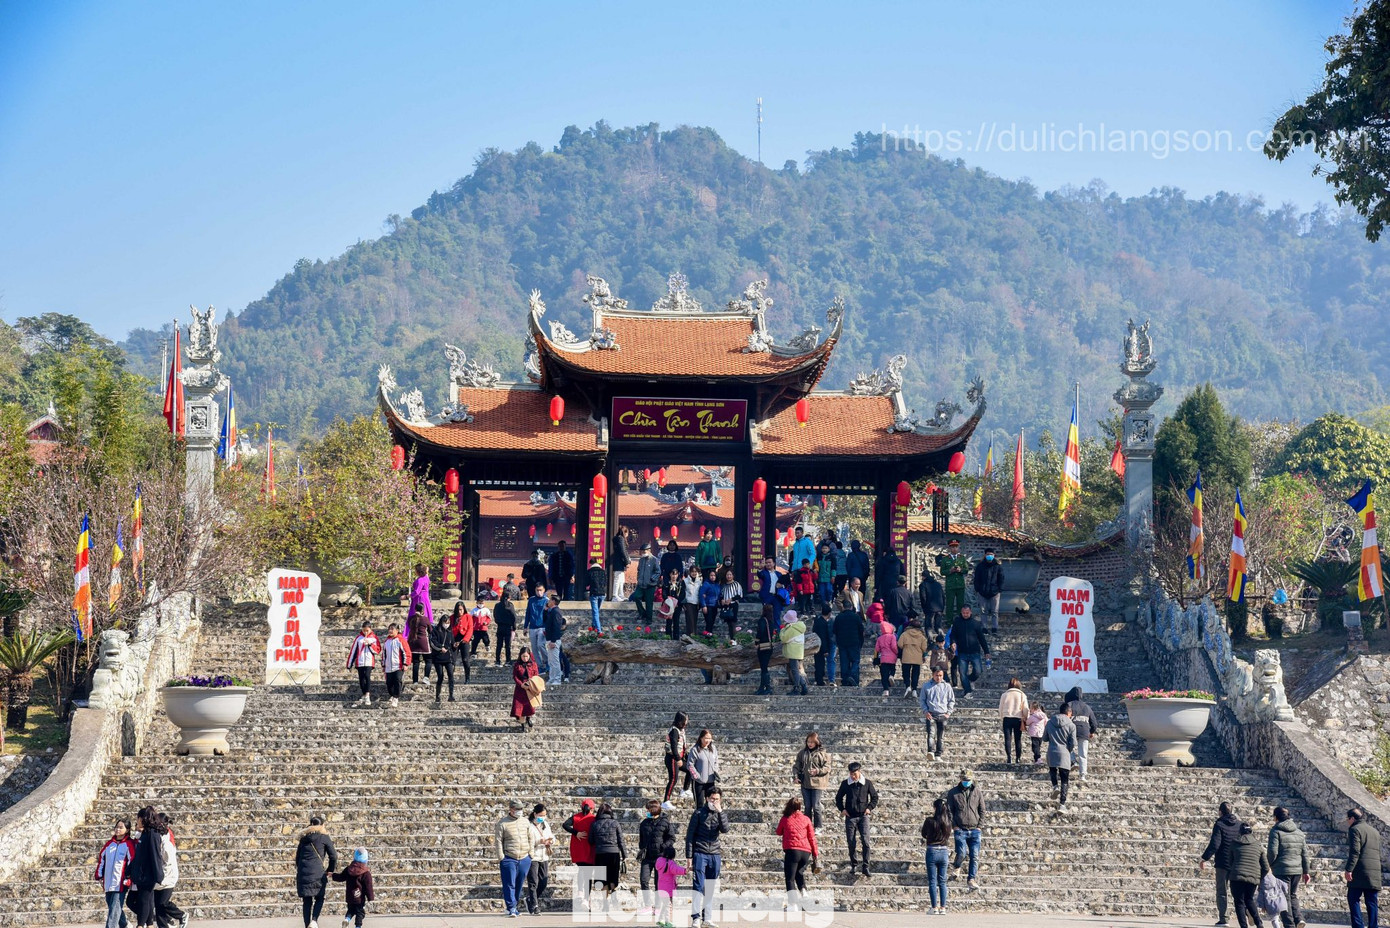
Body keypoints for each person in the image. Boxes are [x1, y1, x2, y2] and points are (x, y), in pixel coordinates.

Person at [685, 786, 730, 928]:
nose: (714, 801)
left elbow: (725, 829)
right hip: (700, 852)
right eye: (712, 799)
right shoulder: (698, 813)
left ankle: (707, 917)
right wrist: (689, 857)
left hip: (715, 853)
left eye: (717, 799)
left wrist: (720, 811)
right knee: (698, 884)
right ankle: (696, 917)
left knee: (710, 886)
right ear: (706, 798)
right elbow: (690, 836)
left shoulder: (720, 813)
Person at [1200, 802, 1245, 926]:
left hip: (1223, 863)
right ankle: (1247, 912)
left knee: (1222, 891)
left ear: (1220, 812)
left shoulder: (1219, 824)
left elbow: (1215, 844)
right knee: (1240, 891)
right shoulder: (1240, 825)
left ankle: (1224, 919)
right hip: (1238, 861)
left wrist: (1204, 858)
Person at [1267, 807, 1310, 928]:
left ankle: (1289, 925)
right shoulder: (1299, 832)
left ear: (1276, 817)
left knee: (1283, 898)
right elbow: (1305, 854)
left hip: (1282, 869)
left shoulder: (1276, 831)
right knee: (1292, 895)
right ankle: (1299, 919)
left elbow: (1272, 852)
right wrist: (1306, 872)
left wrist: (1267, 865)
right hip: (1297, 870)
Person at [496, 800, 539, 918]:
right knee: (509, 883)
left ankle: (514, 905)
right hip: (509, 857)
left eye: (521, 809)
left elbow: (531, 838)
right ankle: (511, 907)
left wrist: (531, 854)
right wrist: (501, 857)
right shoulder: (502, 823)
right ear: (511, 809)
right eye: (517, 809)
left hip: (525, 857)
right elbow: (498, 841)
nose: (519, 811)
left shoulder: (525, 822)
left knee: (519, 882)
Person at [295, 815, 339, 928]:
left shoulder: (303, 839)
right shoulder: (324, 838)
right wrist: (330, 870)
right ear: (322, 825)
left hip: (303, 873)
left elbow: (297, 858)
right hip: (318, 873)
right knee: (319, 897)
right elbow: (333, 856)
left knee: (307, 901)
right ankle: (314, 920)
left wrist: (302, 870)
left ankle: (306, 925)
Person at [834, 762, 878, 877]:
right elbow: (838, 798)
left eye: (854, 774)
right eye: (851, 774)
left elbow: (874, 797)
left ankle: (865, 866)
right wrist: (842, 809)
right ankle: (854, 864)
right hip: (850, 817)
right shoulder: (845, 783)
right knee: (851, 842)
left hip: (863, 816)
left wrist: (869, 808)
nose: (852, 776)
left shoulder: (867, 783)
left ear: (859, 771)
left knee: (866, 841)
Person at [945, 769, 985, 890]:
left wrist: (979, 826)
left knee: (975, 855)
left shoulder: (977, 792)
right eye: (965, 780)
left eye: (968, 780)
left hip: (974, 829)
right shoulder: (953, 793)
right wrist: (954, 826)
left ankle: (971, 879)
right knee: (961, 852)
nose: (967, 782)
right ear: (961, 779)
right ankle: (957, 866)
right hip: (960, 829)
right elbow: (949, 811)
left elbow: (982, 809)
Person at [776, 797, 819, 909]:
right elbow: (812, 837)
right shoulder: (806, 819)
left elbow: (778, 832)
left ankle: (793, 904)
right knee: (799, 873)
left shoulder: (786, 818)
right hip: (806, 851)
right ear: (800, 807)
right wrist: (815, 853)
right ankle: (803, 891)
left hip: (792, 850)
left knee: (790, 878)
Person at [638, 798, 679, 915]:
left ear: (653, 810)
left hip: (660, 857)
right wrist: (642, 847)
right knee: (643, 879)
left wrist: (663, 846)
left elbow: (672, 838)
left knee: (658, 882)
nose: (646, 811)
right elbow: (641, 839)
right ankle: (647, 905)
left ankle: (657, 906)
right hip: (647, 857)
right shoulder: (644, 823)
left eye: (648, 809)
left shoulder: (665, 822)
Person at [95, 816, 136, 928]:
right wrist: (99, 874)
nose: (117, 829)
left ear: (127, 830)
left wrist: (129, 878)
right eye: (116, 827)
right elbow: (102, 858)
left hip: (120, 882)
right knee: (112, 905)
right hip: (108, 881)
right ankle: (125, 924)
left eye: (121, 827)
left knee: (114, 910)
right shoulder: (109, 844)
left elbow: (132, 862)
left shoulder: (129, 844)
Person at [1346, 806, 1383, 928]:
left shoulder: (1355, 829)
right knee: (1372, 901)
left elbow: (1355, 852)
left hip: (1360, 870)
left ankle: (1358, 926)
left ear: (1352, 818)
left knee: (1353, 898)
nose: (1347, 822)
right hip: (1375, 871)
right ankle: (1373, 926)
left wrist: (1349, 869)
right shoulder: (1374, 831)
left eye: (1348, 819)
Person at [1229, 822, 1270, 928]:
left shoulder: (1234, 843)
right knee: (1249, 899)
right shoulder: (1258, 845)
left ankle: (1244, 926)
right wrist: (1258, 877)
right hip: (1253, 878)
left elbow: (1229, 862)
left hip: (1237, 877)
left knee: (1239, 903)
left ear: (1240, 832)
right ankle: (1259, 923)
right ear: (1251, 832)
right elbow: (1265, 867)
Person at [589, 802, 627, 904]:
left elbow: (591, 840)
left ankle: (604, 902)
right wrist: (624, 855)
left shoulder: (594, 824)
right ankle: (614, 894)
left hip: (600, 853)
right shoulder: (615, 823)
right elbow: (621, 840)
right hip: (614, 853)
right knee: (613, 876)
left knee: (602, 879)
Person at [921, 798, 953, 916]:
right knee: (943, 881)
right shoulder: (948, 822)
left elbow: (923, 833)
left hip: (932, 851)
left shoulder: (929, 821)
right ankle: (943, 907)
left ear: (935, 808)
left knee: (932, 881)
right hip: (944, 852)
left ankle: (934, 907)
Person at [1044, 702, 1078, 813]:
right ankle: (1062, 805)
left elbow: (1044, 738)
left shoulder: (1049, 723)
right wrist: (1068, 749)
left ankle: (1054, 786)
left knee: (1052, 770)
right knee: (1064, 780)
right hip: (1064, 753)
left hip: (1052, 751)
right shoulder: (1072, 725)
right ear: (1069, 712)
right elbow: (1073, 743)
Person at [793, 732, 832, 831]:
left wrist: (817, 771)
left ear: (817, 742)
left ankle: (818, 826)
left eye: (812, 742)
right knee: (807, 806)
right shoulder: (802, 753)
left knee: (816, 805)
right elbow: (796, 766)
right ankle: (808, 826)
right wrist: (796, 776)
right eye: (808, 742)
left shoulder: (823, 754)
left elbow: (827, 767)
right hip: (805, 783)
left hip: (818, 784)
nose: (810, 744)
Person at [563, 799, 599, 902]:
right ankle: (586, 898)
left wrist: (575, 832)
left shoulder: (576, 817)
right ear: (592, 808)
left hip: (577, 848)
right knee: (588, 872)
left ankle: (580, 892)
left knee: (582, 869)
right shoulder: (594, 819)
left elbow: (565, 825)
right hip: (589, 848)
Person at [952, 605, 991, 697]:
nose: (965, 615)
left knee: (978, 670)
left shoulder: (976, 623)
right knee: (962, 673)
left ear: (970, 612)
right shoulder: (957, 622)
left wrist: (987, 652)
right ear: (961, 612)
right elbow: (953, 635)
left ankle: (970, 679)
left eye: (967, 613)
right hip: (962, 652)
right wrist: (953, 643)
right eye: (963, 613)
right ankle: (967, 691)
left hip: (974, 652)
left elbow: (982, 639)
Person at [1064, 685, 1100, 783]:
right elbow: (1094, 723)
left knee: (1068, 748)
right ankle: (1082, 775)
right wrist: (1091, 732)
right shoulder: (1087, 707)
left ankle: (1073, 761)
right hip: (1084, 732)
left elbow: (1064, 719)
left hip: (1071, 731)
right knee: (1083, 754)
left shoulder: (1069, 705)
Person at [331, 848, 374, 928]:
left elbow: (341, 877)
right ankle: (358, 926)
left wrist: (332, 875)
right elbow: (368, 887)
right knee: (360, 913)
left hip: (350, 896)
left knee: (351, 910)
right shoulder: (366, 873)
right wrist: (370, 898)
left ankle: (347, 919)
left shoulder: (349, 869)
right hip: (359, 897)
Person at [525, 804, 555, 916]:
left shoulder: (545, 824)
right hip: (533, 856)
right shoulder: (529, 825)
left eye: (544, 815)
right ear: (535, 814)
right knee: (533, 882)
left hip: (544, 856)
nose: (543, 817)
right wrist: (539, 841)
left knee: (543, 882)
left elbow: (552, 836)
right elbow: (527, 841)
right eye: (541, 815)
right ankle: (534, 906)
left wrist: (551, 841)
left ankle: (530, 899)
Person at [919, 667, 956, 760]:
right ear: (933, 675)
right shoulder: (926, 686)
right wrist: (925, 711)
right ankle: (931, 751)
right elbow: (922, 700)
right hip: (931, 714)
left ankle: (938, 754)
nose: (938, 678)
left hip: (942, 714)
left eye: (940, 676)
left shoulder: (947, 686)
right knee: (931, 734)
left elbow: (951, 700)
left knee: (941, 736)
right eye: (937, 675)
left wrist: (948, 713)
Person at [406, 563, 433, 684]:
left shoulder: (419, 580)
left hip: (419, 599)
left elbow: (416, 592)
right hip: (425, 598)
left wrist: (406, 596)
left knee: (416, 617)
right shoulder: (426, 578)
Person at [346, 621, 381, 708]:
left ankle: (368, 695)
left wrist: (369, 645)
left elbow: (377, 650)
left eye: (367, 630)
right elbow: (353, 651)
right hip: (360, 661)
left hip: (369, 661)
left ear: (370, 629)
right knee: (361, 679)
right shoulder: (358, 638)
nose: (365, 632)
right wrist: (349, 663)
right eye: (364, 630)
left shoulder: (374, 638)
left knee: (367, 676)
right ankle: (364, 694)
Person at [936, 540, 971, 623]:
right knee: (950, 604)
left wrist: (960, 570)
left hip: (960, 585)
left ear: (958, 548)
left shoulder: (962, 558)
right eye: (952, 547)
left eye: (956, 547)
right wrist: (950, 571)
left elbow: (966, 570)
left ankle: (961, 621)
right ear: (949, 548)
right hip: (950, 585)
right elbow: (942, 572)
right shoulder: (945, 559)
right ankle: (949, 622)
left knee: (960, 604)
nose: (954, 549)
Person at [972, 547, 1005, 633]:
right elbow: (976, 579)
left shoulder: (998, 566)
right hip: (982, 591)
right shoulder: (980, 566)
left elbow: (1001, 578)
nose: (989, 556)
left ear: (994, 555)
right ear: (985, 555)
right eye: (988, 554)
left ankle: (995, 628)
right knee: (983, 611)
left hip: (995, 592)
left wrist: (999, 589)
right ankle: (984, 628)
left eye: (991, 554)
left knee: (995, 611)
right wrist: (977, 589)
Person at [833, 600, 865, 687]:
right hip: (854, 642)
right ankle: (853, 676)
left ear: (843, 607)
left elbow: (834, 631)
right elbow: (861, 630)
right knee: (855, 661)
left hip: (842, 643)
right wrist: (861, 642)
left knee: (844, 662)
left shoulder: (839, 617)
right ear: (851, 607)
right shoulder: (856, 617)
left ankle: (845, 681)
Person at [430, 607, 459, 703]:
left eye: (448, 623)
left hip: (448, 657)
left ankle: (451, 695)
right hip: (438, 657)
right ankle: (437, 696)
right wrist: (440, 648)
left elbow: (452, 644)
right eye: (445, 622)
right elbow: (433, 643)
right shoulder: (435, 631)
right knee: (440, 676)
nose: (446, 625)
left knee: (451, 675)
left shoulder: (450, 632)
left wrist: (455, 645)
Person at [664, 711, 692, 807]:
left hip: (679, 757)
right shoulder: (674, 731)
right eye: (686, 719)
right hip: (672, 758)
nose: (687, 721)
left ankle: (684, 790)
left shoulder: (681, 730)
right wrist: (678, 759)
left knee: (690, 770)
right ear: (681, 720)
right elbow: (674, 746)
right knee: (673, 779)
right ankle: (666, 801)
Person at [999, 678, 1029, 765]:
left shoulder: (1004, 695)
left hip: (1007, 718)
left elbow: (1000, 708)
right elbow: (1026, 709)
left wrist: (1002, 717)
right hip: (1018, 718)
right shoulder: (1022, 695)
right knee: (1018, 739)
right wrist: (1025, 717)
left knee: (1007, 739)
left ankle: (1009, 757)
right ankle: (1018, 758)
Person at [687, 729, 720, 809]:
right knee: (700, 804)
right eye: (706, 738)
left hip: (710, 781)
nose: (708, 740)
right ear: (701, 738)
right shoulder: (695, 750)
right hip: (699, 782)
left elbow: (716, 761)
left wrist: (715, 771)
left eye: (710, 738)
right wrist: (697, 776)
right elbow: (690, 765)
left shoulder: (713, 748)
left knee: (711, 804)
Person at [379, 623, 408, 709]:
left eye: (392, 629)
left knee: (397, 680)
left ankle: (396, 697)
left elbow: (406, 652)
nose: (390, 631)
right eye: (389, 629)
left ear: (397, 630)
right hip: (388, 666)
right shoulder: (387, 641)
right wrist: (383, 665)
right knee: (389, 683)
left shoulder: (401, 640)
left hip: (398, 666)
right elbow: (384, 654)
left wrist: (405, 663)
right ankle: (392, 695)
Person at [780, 609, 809, 695]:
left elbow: (783, 638)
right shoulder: (800, 626)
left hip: (792, 651)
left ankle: (797, 688)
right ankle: (803, 686)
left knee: (795, 670)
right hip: (799, 651)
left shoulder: (791, 628)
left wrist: (783, 629)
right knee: (796, 670)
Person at [510, 646, 540, 731]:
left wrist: (531, 685)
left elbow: (536, 675)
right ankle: (522, 724)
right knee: (519, 707)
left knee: (529, 706)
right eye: (523, 656)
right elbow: (515, 676)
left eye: (527, 656)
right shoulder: (517, 664)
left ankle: (528, 718)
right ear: (520, 656)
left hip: (530, 688)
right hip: (520, 689)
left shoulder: (533, 664)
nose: (525, 658)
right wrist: (521, 684)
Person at [897, 618, 928, 698]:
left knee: (906, 673)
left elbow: (899, 644)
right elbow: (924, 648)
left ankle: (908, 686)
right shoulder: (922, 636)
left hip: (906, 657)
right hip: (917, 658)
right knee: (915, 674)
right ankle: (914, 689)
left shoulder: (905, 634)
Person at [543, 591, 565, 687]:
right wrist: (545, 610)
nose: (548, 601)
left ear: (553, 601)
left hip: (554, 639)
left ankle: (557, 678)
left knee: (555, 661)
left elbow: (556, 627)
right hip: (550, 638)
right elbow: (545, 621)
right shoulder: (551, 611)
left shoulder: (556, 612)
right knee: (551, 661)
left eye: (550, 600)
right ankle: (552, 678)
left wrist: (553, 641)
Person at [525, 586, 549, 674]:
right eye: (537, 590)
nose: (539, 592)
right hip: (532, 627)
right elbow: (528, 613)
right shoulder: (531, 600)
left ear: (544, 590)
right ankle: (540, 666)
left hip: (542, 626)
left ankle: (547, 662)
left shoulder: (546, 600)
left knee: (540, 645)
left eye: (540, 590)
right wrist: (525, 626)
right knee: (534, 648)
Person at [635, 543, 661, 624]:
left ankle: (649, 619)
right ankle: (643, 613)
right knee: (636, 597)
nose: (643, 552)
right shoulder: (641, 560)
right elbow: (638, 570)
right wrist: (638, 579)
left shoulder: (654, 560)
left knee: (649, 603)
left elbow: (658, 572)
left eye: (645, 550)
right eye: (642, 551)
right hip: (641, 584)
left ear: (649, 550)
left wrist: (652, 579)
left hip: (650, 585)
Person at [754, 605, 777, 695]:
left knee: (764, 668)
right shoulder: (771, 621)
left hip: (763, 646)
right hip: (769, 646)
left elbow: (760, 632)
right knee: (764, 667)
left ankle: (766, 687)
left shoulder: (763, 620)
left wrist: (756, 642)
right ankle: (763, 686)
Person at [873, 618, 898, 697]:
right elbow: (894, 647)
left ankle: (886, 690)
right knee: (892, 669)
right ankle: (892, 676)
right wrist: (897, 652)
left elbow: (877, 649)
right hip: (892, 658)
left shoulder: (880, 638)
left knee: (884, 675)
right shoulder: (892, 636)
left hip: (883, 658)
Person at [717, 567, 743, 638]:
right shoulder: (723, 585)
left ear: (733, 575)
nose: (729, 576)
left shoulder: (736, 584)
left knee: (733, 622)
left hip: (733, 605)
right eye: (727, 575)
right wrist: (722, 600)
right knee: (728, 623)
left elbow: (740, 595)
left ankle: (734, 638)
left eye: (730, 574)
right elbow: (721, 595)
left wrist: (731, 599)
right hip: (726, 606)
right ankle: (731, 638)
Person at [812, 605, 834, 687]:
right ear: (829, 613)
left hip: (816, 645)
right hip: (821, 646)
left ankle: (818, 678)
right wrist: (825, 650)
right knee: (820, 664)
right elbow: (823, 637)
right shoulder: (824, 623)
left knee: (818, 663)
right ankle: (819, 680)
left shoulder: (817, 621)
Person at [493, 591, 517, 666]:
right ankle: (508, 661)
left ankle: (497, 661)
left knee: (499, 644)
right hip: (508, 627)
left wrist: (498, 622)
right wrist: (514, 627)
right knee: (508, 645)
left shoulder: (497, 605)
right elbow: (514, 617)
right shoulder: (510, 605)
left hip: (500, 626)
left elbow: (495, 615)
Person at [918, 567, 945, 633]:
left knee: (928, 626)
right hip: (939, 608)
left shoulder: (923, 585)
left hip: (929, 608)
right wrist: (942, 607)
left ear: (923, 577)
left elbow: (923, 597)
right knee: (938, 625)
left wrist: (924, 607)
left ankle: (930, 640)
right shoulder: (938, 584)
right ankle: (940, 637)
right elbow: (943, 596)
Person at [585, 558, 608, 632]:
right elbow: (605, 582)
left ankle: (599, 630)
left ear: (591, 564)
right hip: (602, 593)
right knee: (597, 610)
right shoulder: (603, 571)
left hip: (594, 593)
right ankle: (594, 625)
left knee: (595, 612)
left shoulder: (590, 572)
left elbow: (587, 583)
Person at [609, 526, 631, 601]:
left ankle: (621, 595)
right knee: (617, 579)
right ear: (625, 532)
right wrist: (627, 561)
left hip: (619, 561)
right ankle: (615, 595)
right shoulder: (620, 539)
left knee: (621, 579)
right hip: (619, 562)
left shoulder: (617, 539)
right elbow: (623, 551)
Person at [685, 566, 706, 637]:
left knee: (694, 619)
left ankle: (694, 635)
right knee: (690, 619)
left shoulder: (699, 582)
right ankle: (690, 635)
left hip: (696, 602)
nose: (694, 573)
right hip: (688, 602)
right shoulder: (685, 581)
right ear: (690, 572)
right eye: (692, 572)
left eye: (695, 572)